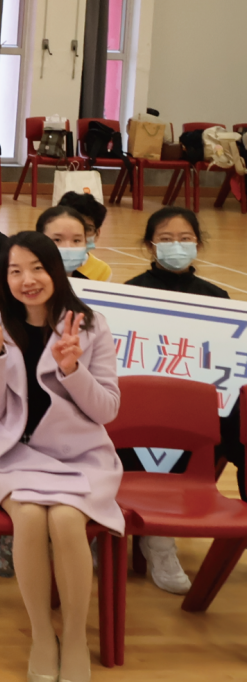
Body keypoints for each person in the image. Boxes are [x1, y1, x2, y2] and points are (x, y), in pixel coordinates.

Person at [0, 232, 120, 682]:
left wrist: (73, 370)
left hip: (78, 455)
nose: (27, 280)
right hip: (10, 456)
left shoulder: (91, 326)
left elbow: (107, 410)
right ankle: (41, 636)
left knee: (68, 521)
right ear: (3, 278)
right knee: (29, 517)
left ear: (56, 270)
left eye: (37, 268)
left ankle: (74, 638)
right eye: (15, 271)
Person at [117, 206, 242, 586]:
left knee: (223, 427)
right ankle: (118, 528)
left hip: (195, 412)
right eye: (167, 239)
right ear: (150, 245)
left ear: (198, 244)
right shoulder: (129, 293)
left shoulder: (217, 298)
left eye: (185, 239)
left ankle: (160, 540)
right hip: (140, 409)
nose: (177, 246)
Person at [54, 191, 112, 280]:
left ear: (97, 234)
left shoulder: (102, 271)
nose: (79, 234)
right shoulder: (37, 262)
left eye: (88, 229)